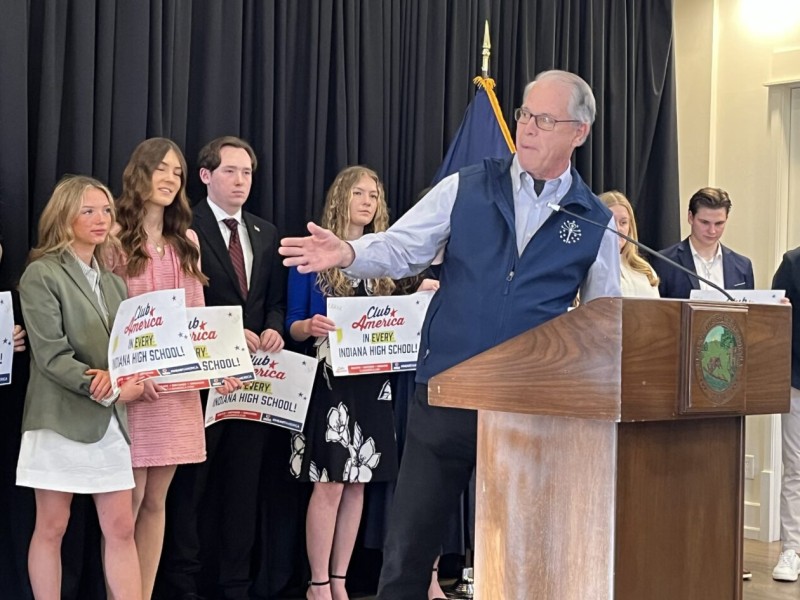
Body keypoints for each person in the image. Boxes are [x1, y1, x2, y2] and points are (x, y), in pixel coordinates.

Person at [280, 69, 621, 599]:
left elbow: (603, 320)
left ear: (579, 132)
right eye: (524, 114)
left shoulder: (595, 220)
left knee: (523, 548)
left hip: (530, 405)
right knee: (409, 547)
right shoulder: (468, 185)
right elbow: (402, 247)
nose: (528, 128)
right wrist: (348, 252)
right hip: (446, 391)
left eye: (545, 119)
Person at [159, 136, 286, 600]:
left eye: (247, 172)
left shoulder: (265, 232)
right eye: (230, 171)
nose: (240, 181)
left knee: (243, 484)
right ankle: (182, 584)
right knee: (190, 486)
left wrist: (273, 328)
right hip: (200, 381)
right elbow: (183, 304)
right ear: (205, 175)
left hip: (253, 383)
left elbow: (273, 302)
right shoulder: (183, 227)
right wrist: (229, 335)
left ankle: (235, 584)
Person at [112, 138, 239, 599]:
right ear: (139, 174)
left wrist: (220, 364)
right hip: (133, 389)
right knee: (125, 507)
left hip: (177, 390)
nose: (169, 179)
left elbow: (196, 317)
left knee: (156, 502)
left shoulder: (186, 242)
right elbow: (107, 319)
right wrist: (127, 378)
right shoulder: (114, 238)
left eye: (177, 172)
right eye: (160, 169)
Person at [17, 175, 145, 599]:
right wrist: (107, 385)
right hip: (60, 420)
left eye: (105, 210)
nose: (100, 218)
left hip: (109, 422)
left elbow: (125, 351)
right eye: (87, 210)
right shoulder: (41, 274)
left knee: (121, 527)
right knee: (52, 526)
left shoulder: (114, 282)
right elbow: (50, 356)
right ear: (63, 216)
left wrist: (128, 379)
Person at [287, 166, 399, 600]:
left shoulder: (383, 257)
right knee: (330, 482)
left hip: (372, 381)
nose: (368, 202)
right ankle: (317, 583)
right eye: (358, 193)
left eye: (374, 195)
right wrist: (309, 327)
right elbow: (293, 322)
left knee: (358, 483)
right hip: (329, 380)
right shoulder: (313, 254)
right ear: (340, 198)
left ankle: (341, 581)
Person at [657, 187, 753, 298]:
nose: (712, 231)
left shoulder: (742, 265)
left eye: (719, 223)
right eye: (704, 222)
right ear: (690, 217)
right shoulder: (664, 261)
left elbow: (748, 307)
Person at [771, 248, 800, 582]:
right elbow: (776, 319)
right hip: (797, 382)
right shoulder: (793, 263)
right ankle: (792, 548)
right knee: (796, 468)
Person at [599, 190, 659, 297]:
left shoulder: (645, 269)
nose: (618, 228)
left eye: (623, 222)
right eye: (610, 222)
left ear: (630, 227)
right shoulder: (588, 268)